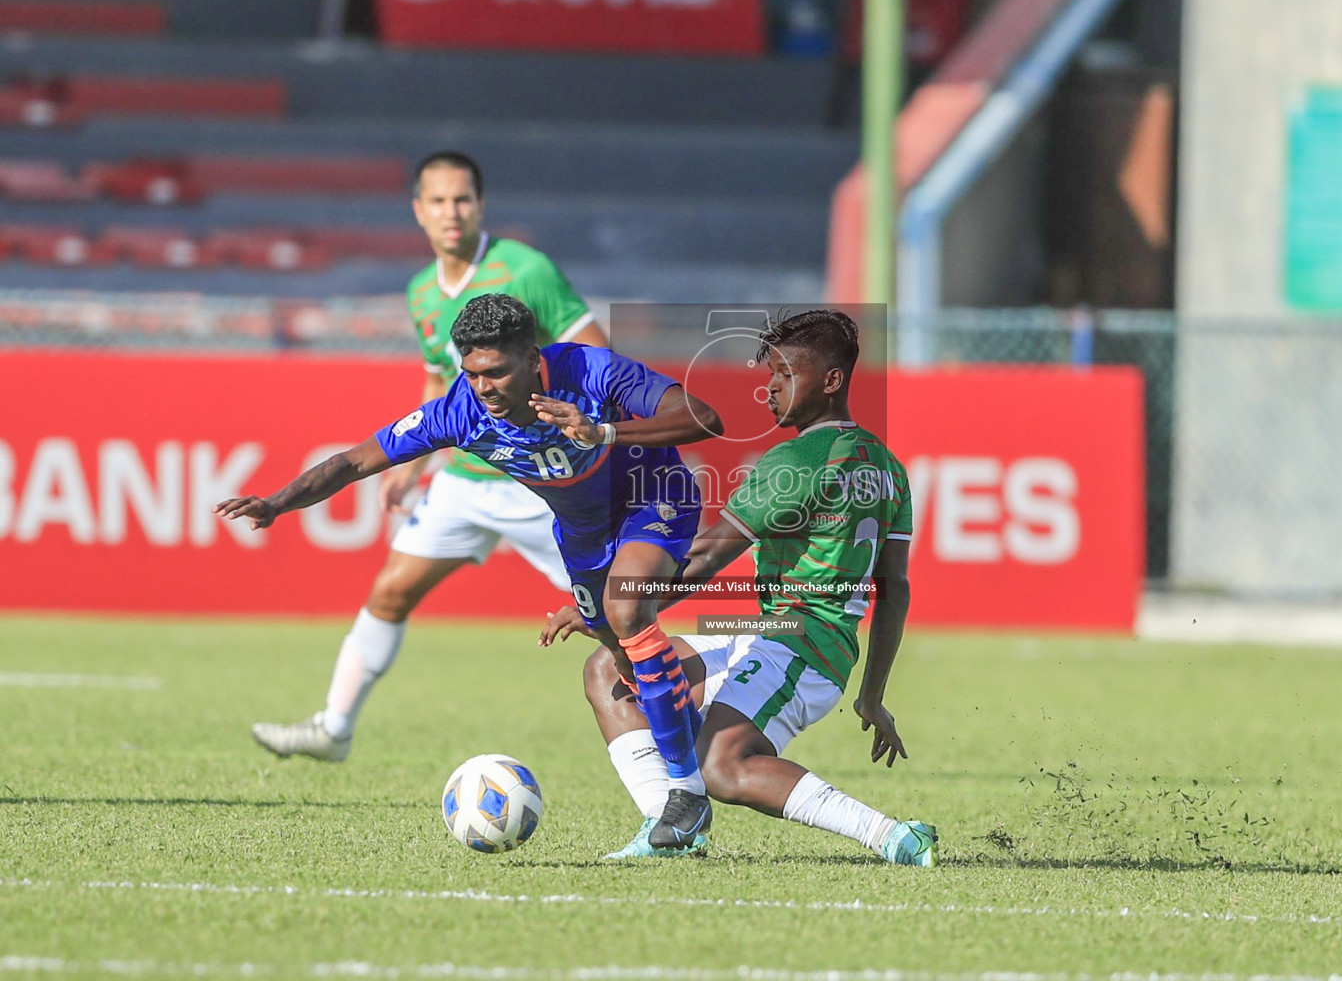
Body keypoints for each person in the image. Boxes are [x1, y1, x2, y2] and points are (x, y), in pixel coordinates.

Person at [217, 294, 724, 851]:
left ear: (533, 358)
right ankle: (695, 760)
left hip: (654, 499)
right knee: (618, 657)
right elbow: (356, 460)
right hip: (581, 533)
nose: (485, 387)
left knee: (625, 610)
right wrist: (277, 503)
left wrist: (601, 433)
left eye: (497, 372)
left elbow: (705, 416)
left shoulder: (592, 370)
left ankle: (686, 794)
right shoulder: (460, 410)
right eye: (473, 373)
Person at [543, 309, 937, 866]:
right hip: (769, 630)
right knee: (610, 671)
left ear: (831, 381)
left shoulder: (797, 459)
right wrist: (872, 694)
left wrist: (610, 612)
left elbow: (704, 557)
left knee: (720, 766)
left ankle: (891, 834)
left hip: (801, 641)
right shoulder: (889, 467)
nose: (769, 390)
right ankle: (671, 829)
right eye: (768, 375)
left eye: (784, 376)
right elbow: (894, 590)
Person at [251, 151, 608, 762]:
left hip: (540, 484)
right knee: (390, 591)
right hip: (464, 481)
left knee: (615, 617)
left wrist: (577, 432)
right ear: (418, 210)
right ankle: (334, 729)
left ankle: (690, 710)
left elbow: (595, 357)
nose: (452, 212)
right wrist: (414, 468)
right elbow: (436, 383)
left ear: (480, 204)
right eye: (438, 201)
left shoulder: (526, 269)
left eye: (462, 199)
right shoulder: (421, 291)